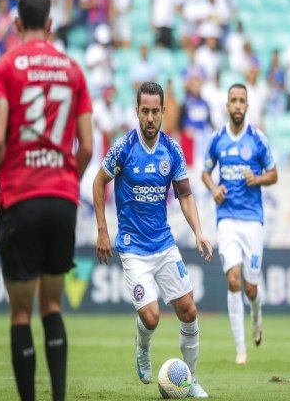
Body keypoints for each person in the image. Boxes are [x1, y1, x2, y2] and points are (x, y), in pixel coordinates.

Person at [0, 0, 93, 401]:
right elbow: (86, 146)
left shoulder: (5, 67)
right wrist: (68, 181)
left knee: (21, 311)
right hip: (62, 199)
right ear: (50, 24)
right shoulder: (74, 70)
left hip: (21, 198)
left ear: (16, 25)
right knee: (53, 306)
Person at [93, 81, 213, 398]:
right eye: (144, 111)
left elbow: (185, 195)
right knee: (151, 316)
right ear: (137, 111)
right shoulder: (122, 147)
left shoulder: (172, 150)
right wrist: (103, 230)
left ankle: (191, 380)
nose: (149, 117)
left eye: (155, 111)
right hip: (133, 248)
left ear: (163, 112)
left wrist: (199, 231)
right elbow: (98, 182)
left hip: (164, 244)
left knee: (188, 311)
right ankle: (142, 347)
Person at [201, 83, 278, 366]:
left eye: (241, 101)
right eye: (233, 100)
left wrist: (256, 179)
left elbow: (274, 174)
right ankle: (240, 349)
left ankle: (256, 316)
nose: (237, 105)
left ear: (247, 106)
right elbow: (205, 173)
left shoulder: (258, 139)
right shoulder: (217, 139)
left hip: (252, 221)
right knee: (233, 280)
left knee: (251, 288)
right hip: (227, 220)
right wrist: (213, 189)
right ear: (227, 105)